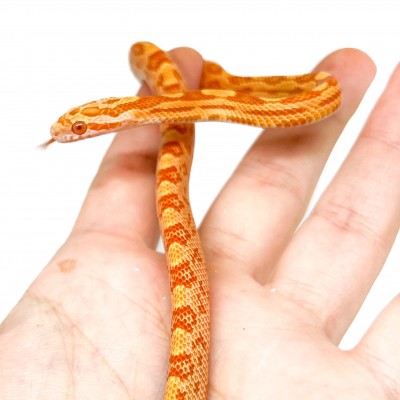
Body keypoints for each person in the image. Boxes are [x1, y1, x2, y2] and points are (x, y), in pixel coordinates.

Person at [0, 46, 399, 399]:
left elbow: (325, 96)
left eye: (81, 127)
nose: (69, 133)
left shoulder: (160, 107)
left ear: (111, 119)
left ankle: (228, 80)